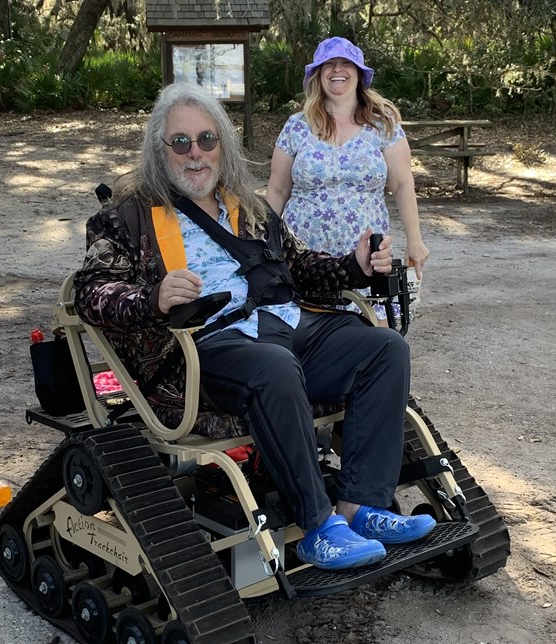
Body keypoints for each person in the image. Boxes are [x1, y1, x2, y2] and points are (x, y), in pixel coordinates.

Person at [73, 82, 435, 571]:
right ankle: (317, 526)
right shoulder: (126, 217)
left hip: (286, 325)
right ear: (159, 151)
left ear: (223, 143)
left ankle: (360, 508)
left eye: (206, 140)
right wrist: (151, 299)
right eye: (180, 143)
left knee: (384, 349)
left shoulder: (252, 208)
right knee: (274, 367)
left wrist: (355, 268)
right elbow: (90, 292)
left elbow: (299, 267)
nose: (195, 154)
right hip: (201, 348)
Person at [266, 36, 429, 323]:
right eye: (329, 64)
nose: (337, 70)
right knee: (304, 335)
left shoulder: (383, 122)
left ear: (358, 72)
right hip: (306, 258)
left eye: (345, 63)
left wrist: (415, 240)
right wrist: (264, 243)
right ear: (318, 74)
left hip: (366, 254)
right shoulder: (296, 126)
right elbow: (278, 190)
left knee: (372, 337)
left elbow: (402, 184)